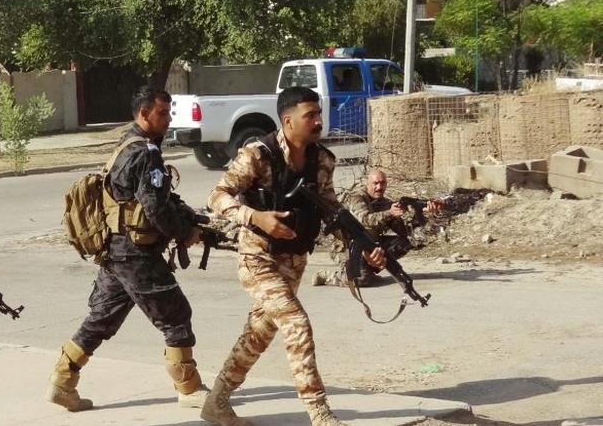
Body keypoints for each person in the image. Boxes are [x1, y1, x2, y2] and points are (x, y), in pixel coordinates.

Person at [201, 86, 386, 426]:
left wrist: (364, 249)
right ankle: (319, 411)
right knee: (297, 324)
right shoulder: (258, 154)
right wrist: (255, 217)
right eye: (310, 115)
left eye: (319, 114)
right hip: (257, 258)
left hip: (295, 260)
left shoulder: (323, 161)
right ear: (287, 121)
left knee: (258, 335)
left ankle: (217, 401)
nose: (318, 121)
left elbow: (332, 212)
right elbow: (217, 195)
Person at [45, 88, 210, 412]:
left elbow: (146, 198)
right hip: (135, 253)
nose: (168, 119)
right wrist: (185, 232)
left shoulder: (125, 145)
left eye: (168, 112)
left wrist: (188, 214)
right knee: (176, 315)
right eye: (162, 113)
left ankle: (62, 381)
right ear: (144, 114)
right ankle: (189, 388)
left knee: (102, 318)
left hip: (116, 249)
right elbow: (155, 208)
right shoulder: (146, 153)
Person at [313, 169, 443, 287]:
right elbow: (365, 220)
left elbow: (408, 233)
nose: (379, 187)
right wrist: (390, 213)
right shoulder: (356, 197)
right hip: (346, 246)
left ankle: (369, 269)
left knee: (406, 242)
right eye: (375, 183)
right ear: (368, 184)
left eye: (382, 183)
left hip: (370, 243)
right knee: (360, 279)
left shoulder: (385, 203)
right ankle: (328, 277)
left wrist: (426, 214)